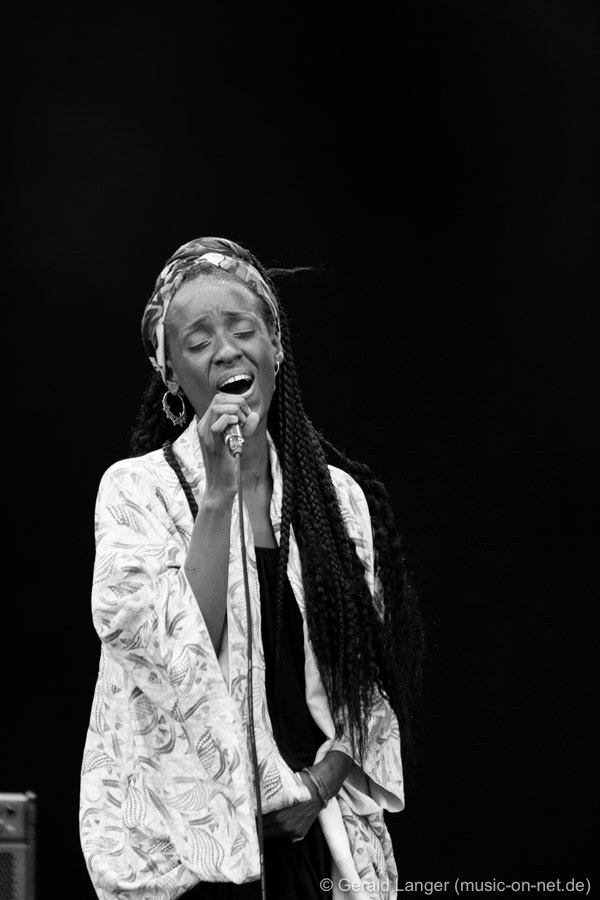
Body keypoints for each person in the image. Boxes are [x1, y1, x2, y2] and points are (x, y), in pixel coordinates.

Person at [79, 236, 424, 900]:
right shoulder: (136, 492)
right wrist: (218, 492)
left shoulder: (336, 502)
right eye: (198, 341)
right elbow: (172, 660)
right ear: (172, 376)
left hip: (316, 845)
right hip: (193, 858)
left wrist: (318, 785)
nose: (226, 351)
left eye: (243, 330)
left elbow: (367, 679)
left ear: (276, 347)